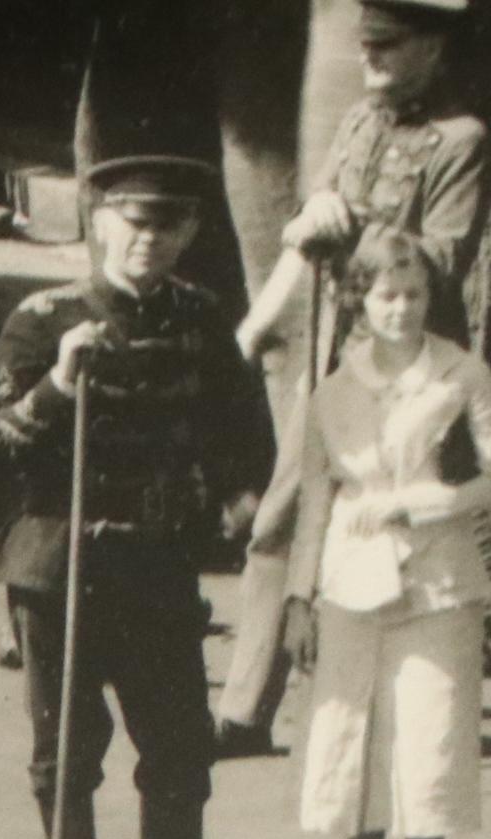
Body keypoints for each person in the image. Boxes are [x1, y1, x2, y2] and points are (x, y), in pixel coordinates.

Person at [0, 152, 271, 839]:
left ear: (191, 231)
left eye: (169, 224)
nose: (150, 239)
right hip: (60, 561)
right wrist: (58, 386)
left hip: (159, 563)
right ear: (99, 222)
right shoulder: (43, 319)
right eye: (136, 222)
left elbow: (242, 431)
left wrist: (241, 502)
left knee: (178, 747)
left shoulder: (202, 318)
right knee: (66, 751)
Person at [216, 0, 485, 753]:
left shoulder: (462, 142)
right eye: (364, 47)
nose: (369, 63)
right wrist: (265, 310)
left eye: (387, 48)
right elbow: (313, 221)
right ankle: (243, 711)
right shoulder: (360, 123)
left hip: (412, 372)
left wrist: (348, 224)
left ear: (432, 48)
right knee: (281, 519)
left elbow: (441, 259)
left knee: (418, 531)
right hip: (338, 362)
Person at [283, 227, 491, 839]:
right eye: (385, 295)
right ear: (358, 301)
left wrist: (422, 502)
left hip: (439, 583)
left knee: (427, 741)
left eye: (414, 294)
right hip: (349, 584)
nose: (401, 309)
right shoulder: (332, 391)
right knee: (352, 744)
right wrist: (298, 598)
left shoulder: (462, 374)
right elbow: (314, 498)